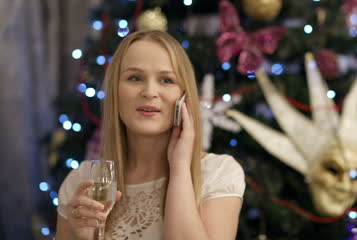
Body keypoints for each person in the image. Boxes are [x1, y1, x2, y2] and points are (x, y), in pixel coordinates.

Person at [56, 30, 245, 239]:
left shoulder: (218, 173)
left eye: (166, 80)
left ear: (184, 98)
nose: (149, 92)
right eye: (135, 78)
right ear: (115, 93)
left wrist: (180, 168)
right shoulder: (81, 182)